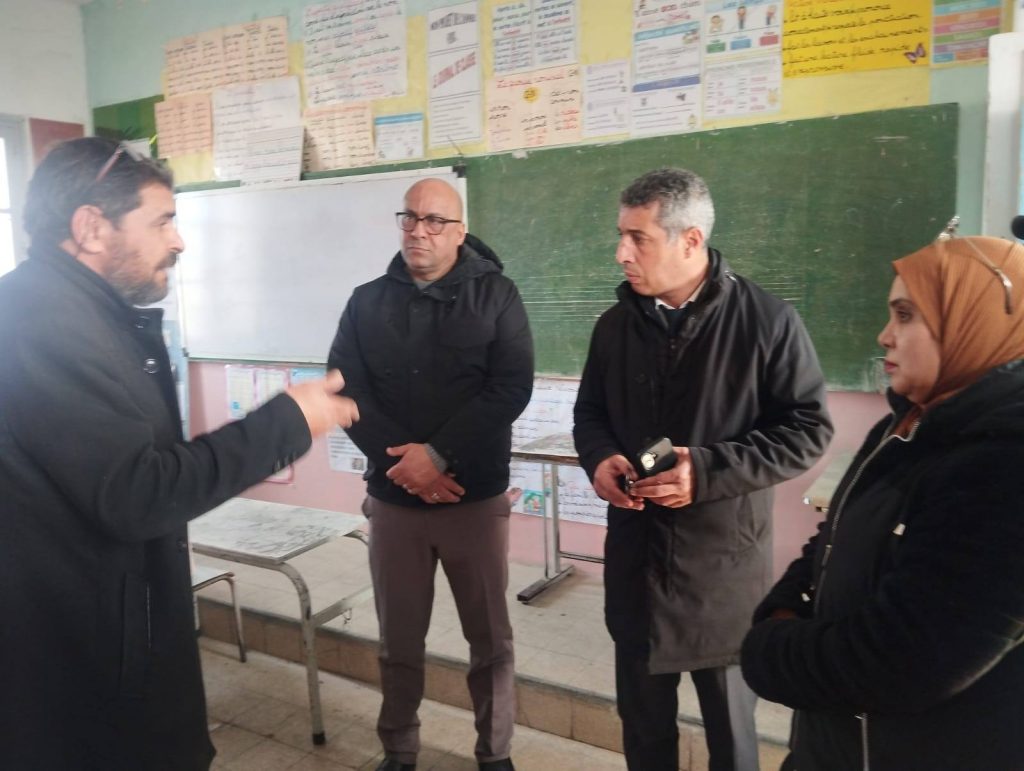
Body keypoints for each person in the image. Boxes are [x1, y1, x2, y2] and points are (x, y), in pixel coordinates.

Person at [0, 137, 360, 770]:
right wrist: (288, 422)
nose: (180, 241)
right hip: (80, 668)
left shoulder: (79, 313)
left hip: (101, 637)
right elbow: (138, 493)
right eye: (162, 221)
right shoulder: (42, 322)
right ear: (91, 228)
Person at [573, 168, 832, 771]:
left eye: (638, 238)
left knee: (732, 740)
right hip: (637, 565)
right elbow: (590, 413)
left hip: (721, 574)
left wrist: (708, 470)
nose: (621, 253)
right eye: (621, 236)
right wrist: (600, 457)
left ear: (690, 240)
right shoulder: (615, 325)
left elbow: (808, 431)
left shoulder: (766, 321)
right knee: (644, 734)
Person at [741, 234, 1024, 770]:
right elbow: (833, 534)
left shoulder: (1005, 462)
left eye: (905, 316)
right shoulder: (907, 423)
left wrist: (766, 650)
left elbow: (902, 661)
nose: (885, 335)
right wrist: (782, 605)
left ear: (971, 322)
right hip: (836, 748)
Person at [327, 178, 533, 771]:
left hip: (473, 499)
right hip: (395, 502)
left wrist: (437, 456)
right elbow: (345, 390)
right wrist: (408, 468)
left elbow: (510, 389)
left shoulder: (498, 296)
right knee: (399, 639)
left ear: (460, 231)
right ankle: (399, 749)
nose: (419, 230)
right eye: (410, 218)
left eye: (435, 220)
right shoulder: (366, 302)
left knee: (489, 640)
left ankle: (495, 754)